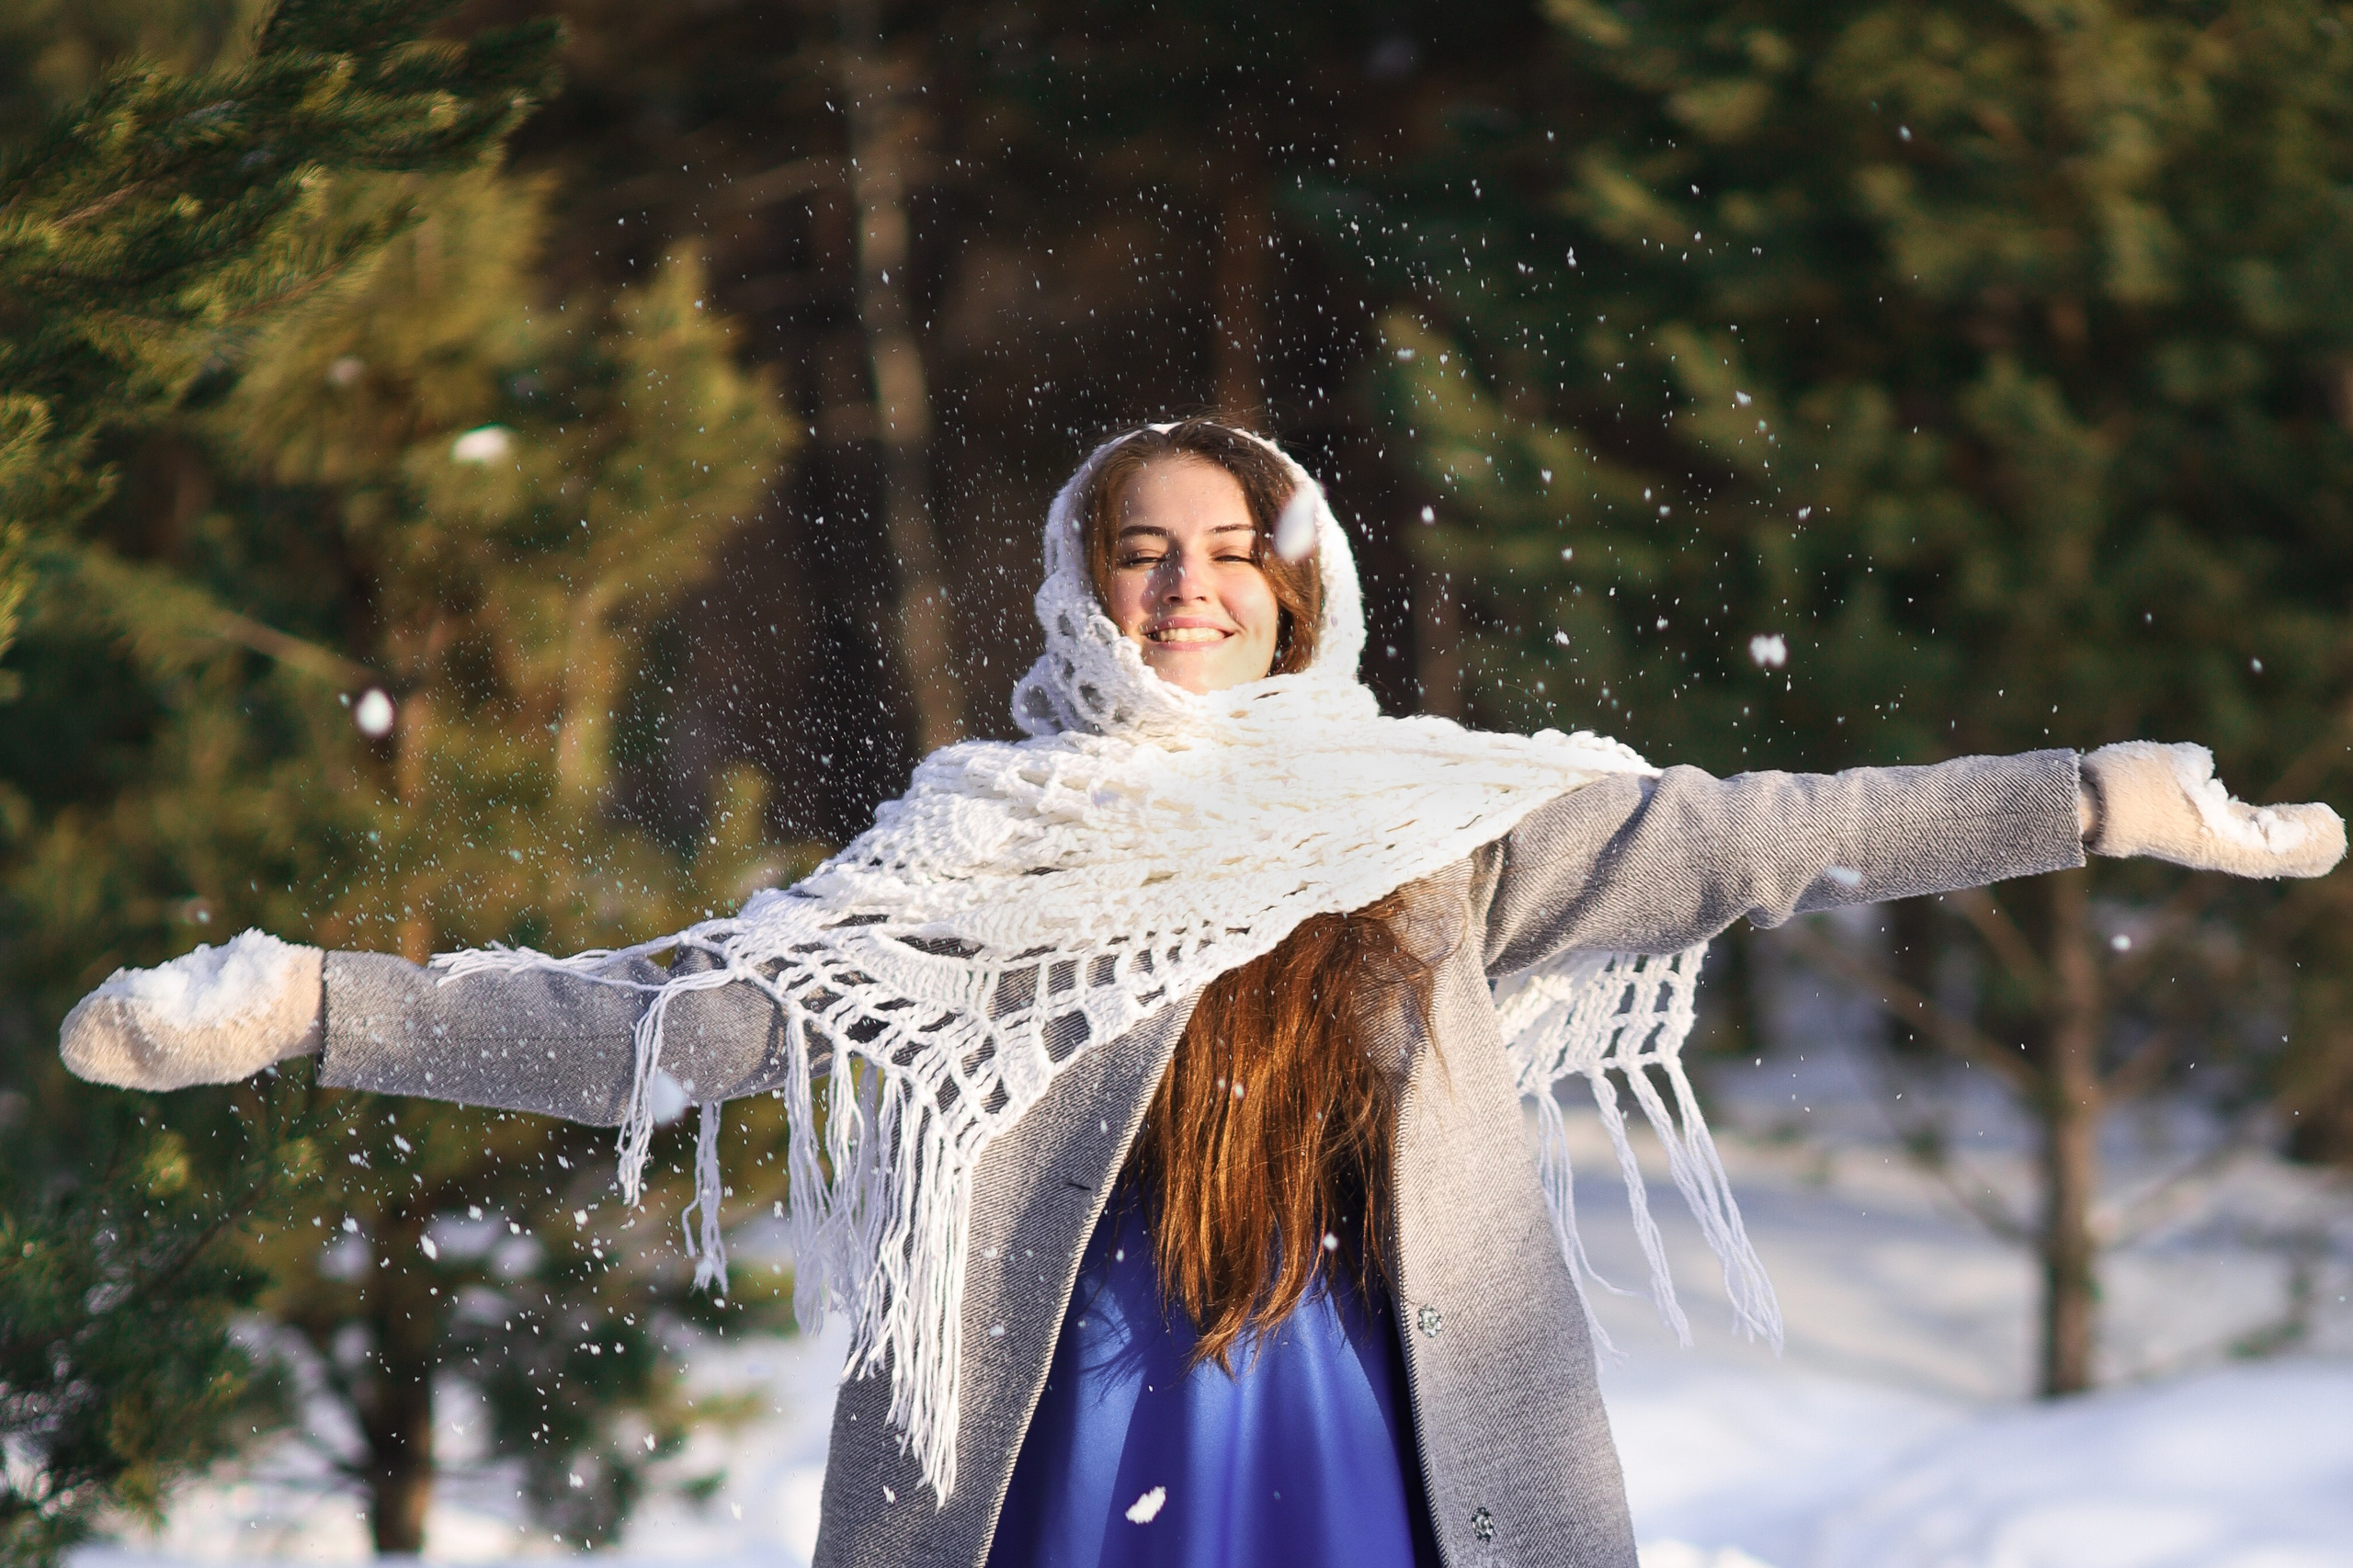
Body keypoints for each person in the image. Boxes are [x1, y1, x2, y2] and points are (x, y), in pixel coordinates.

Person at [62, 420, 2346, 1568]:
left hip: (1373, 1418)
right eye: (1137, 552)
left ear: (1299, 582)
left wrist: (2090, 790)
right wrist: (315, 1008)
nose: (1185, 591)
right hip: (1076, 1418)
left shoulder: (1443, 827)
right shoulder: (977, 844)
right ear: (1077, 582)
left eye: (1226, 553)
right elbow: (680, 1022)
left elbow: (1761, 831)